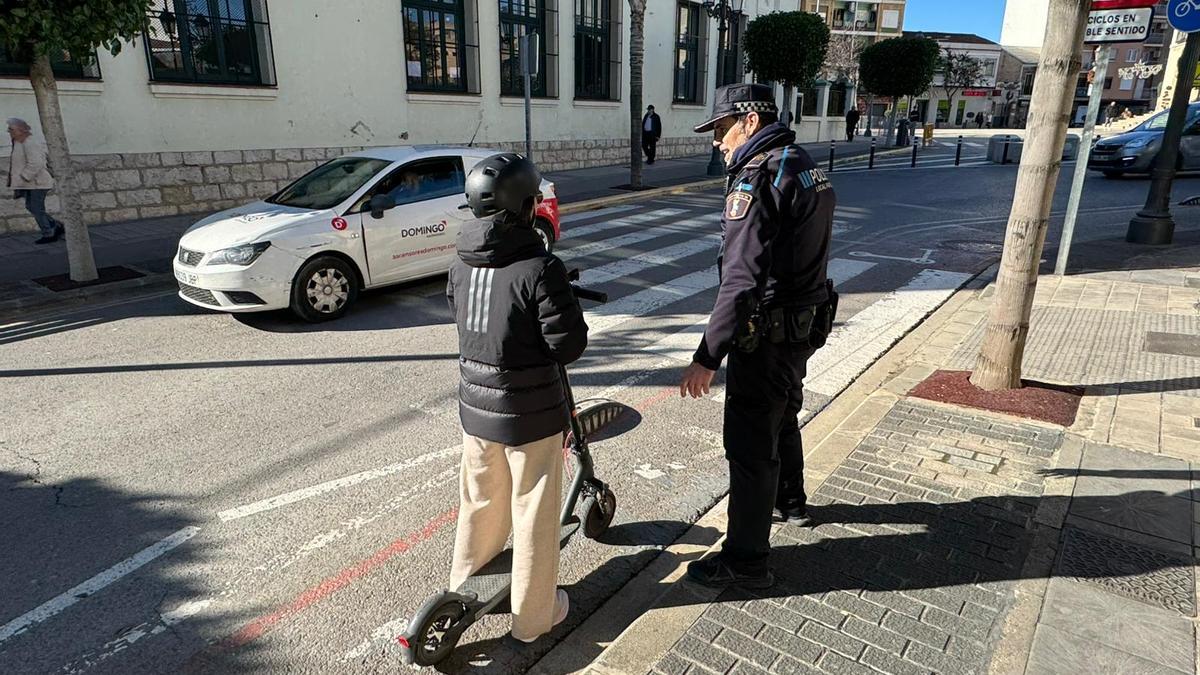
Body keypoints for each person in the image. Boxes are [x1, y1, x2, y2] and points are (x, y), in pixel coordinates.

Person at [680, 83, 836, 589]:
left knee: (749, 446)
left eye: (722, 129)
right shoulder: (803, 163)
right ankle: (790, 502)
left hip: (768, 333)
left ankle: (746, 560)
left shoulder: (757, 178)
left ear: (749, 121)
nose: (717, 142)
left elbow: (741, 280)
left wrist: (708, 355)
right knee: (783, 412)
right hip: (801, 326)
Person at [446, 152, 588, 643]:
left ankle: (466, 594)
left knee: (480, 502)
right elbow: (567, 345)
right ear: (529, 206)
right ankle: (533, 618)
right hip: (531, 416)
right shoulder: (539, 266)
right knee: (533, 513)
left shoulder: (459, 262)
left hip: (476, 410)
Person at [6, 117, 64, 245]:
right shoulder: (20, 142)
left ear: (21, 129)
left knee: (36, 209)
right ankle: (55, 225)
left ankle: (49, 233)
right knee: (31, 207)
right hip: (31, 184)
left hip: (38, 183)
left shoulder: (29, 142)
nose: (8, 131)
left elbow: (36, 163)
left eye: (11, 129)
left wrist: (24, 177)